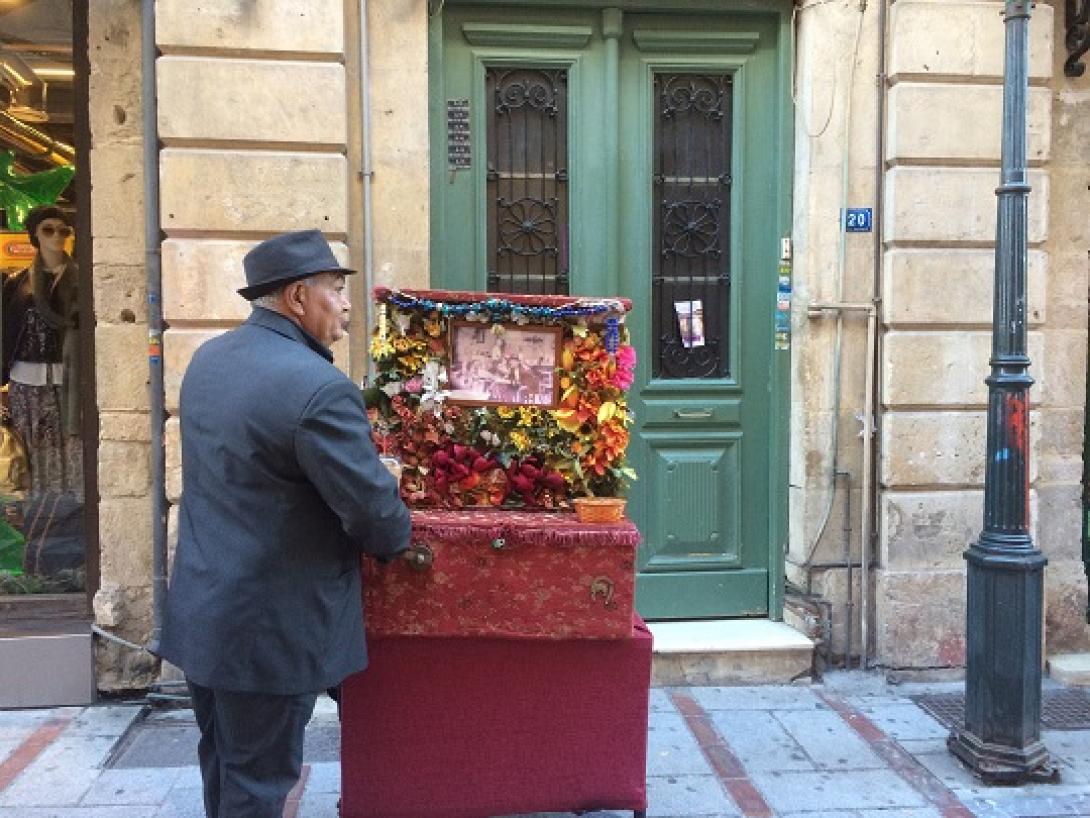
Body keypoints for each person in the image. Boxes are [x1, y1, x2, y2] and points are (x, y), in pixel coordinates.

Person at [157, 229, 413, 818]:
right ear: (298, 298)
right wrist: (392, 504)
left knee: (225, 763)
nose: (347, 303)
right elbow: (377, 516)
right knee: (257, 784)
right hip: (268, 629)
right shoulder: (319, 388)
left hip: (205, 609)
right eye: (335, 289)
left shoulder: (209, 360)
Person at [1, 205, 83, 578]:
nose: (56, 236)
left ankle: (65, 535)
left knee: (68, 454)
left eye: (63, 230)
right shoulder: (17, 282)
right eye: (48, 230)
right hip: (24, 380)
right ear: (35, 235)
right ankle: (38, 533)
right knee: (33, 456)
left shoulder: (81, 280)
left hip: (67, 382)